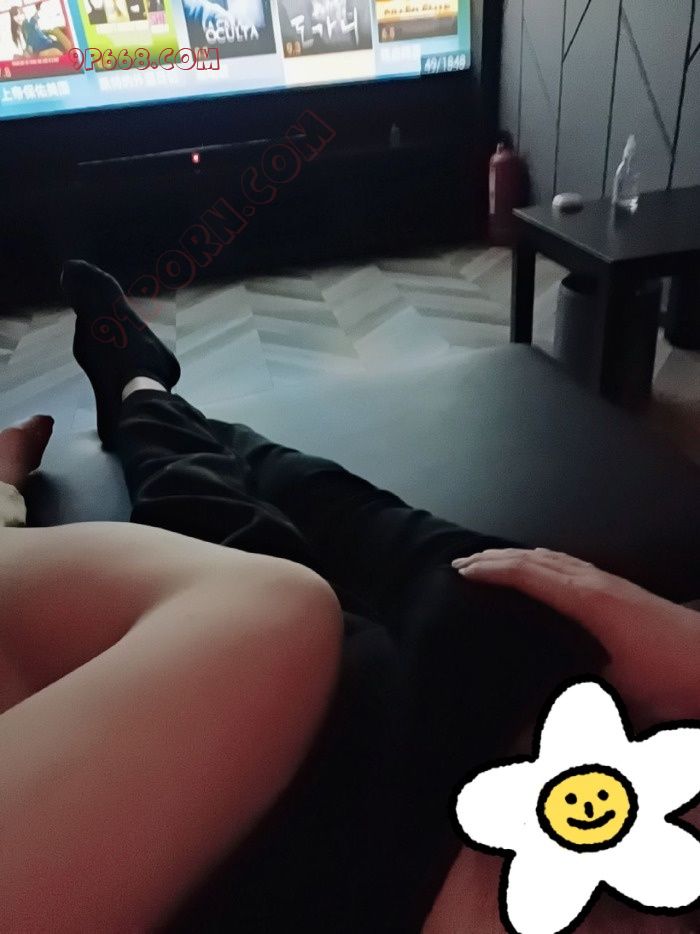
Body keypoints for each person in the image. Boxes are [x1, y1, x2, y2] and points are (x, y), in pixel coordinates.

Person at [2, 258, 698, 932]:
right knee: (447, 566)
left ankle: (145, 394)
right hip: (583, 751)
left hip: (378, 873)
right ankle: (157, 401)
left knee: (239, 553)